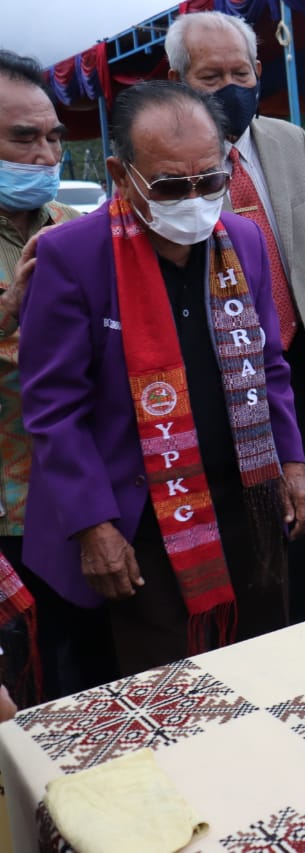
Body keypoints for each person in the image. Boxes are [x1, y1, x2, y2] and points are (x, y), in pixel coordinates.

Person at [20, 81, 305, 678]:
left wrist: (293, 465)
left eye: (211, 180)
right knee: (168, 681)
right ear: (121, 173)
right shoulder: (73, 255)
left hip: (246, 495)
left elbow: (269, 365)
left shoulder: (247, 241)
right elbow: (53, 407)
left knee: (265, 662)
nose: (197, 199)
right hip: (144, 513)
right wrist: (93, 525)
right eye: (173, 185)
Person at [166, 10, 305, 624]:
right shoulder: (165, 156)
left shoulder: (289, 140)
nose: (229, 86)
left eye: (239, 71)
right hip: (214, 365)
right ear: (178, 79)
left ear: (259, 72)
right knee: (241, 511)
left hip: (293, 356)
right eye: (210, 75)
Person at [0, 50, 105, 704]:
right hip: (5, 513)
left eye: (53, 137)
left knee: (82, 679)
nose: (45, 154)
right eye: (22, 137)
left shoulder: (74, 233)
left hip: (75, 497)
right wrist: (8, 309)